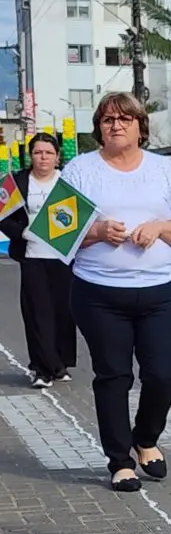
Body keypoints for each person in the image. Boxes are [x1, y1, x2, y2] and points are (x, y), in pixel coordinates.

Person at [64, 93, 171, 491]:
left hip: (160, 292)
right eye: (107, 120)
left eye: (124, 119)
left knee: (162, 375)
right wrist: (99, 231)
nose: (116, 126)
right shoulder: (80, 169)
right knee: (113, 376)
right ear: (98, 128)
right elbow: (60, 230)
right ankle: (119, 460)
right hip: (98, 293)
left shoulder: (163, 169)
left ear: (141, 126)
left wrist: (158, 228)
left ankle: (146, 438)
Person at [0, 133, 77, 388]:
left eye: (48, 153)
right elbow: (2, 215)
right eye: (38, 152)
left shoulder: (69, 181)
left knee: (63, 312)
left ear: (57, 157)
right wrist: (21, 232)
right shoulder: (18, 182)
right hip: (32, 256)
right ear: (30, 156)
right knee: (37, 313)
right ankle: (42, 368)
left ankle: (60, 364)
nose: (43, 157)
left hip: (64, 256)